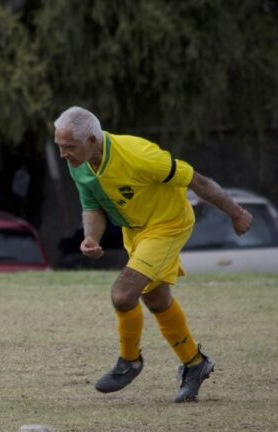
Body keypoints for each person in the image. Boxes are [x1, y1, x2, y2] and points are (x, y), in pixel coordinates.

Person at [53, 106, 253, 402]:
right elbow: (91, 205)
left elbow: (196, 181)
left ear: (92, 140)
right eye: (59, 147)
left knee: (123, 294)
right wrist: (91, 238)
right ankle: (195, 364)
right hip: (134, 230)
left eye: (68, 147)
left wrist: (235, 212)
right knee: (156, 298)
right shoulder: (79, 163)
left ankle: (129, 361)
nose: (63, 155)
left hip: (167, 225)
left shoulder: (139, 156)